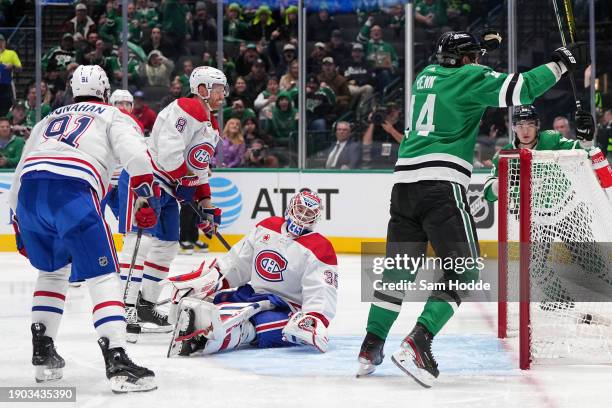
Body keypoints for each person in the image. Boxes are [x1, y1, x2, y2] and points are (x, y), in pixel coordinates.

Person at [356, 30, 581, 387]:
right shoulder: (470, 76)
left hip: (404, 188)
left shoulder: (425, 76)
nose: (478, 62)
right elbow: (520, 88)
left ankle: (370, 347)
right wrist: (559, 65)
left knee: (398, 271)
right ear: (464, 61)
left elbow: (458, 70)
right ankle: (419, 341)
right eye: (473, 56)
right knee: (465, 271)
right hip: (440, 187)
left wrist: (479, 49)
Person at [8, 65, 158, 393]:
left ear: (72, 89)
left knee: (51, 273)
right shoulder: (113, 115)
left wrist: (18, 224)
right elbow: (137, 157)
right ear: (105, 91)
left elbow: (20, 169)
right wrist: (147, 198)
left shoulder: (50, 117)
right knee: (103, 275)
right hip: (71, 192)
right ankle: (117, 358)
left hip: (30, 194)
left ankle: (43, 351)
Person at [116, 66, 227, 342]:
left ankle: (145, 305)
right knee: (138, 242)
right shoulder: (187, 107)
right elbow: (168, 152)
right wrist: (184, 182)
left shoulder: (211, 126)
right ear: (202, 89)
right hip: (147, 179)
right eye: (219, 88)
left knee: (167, 246)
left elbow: (199, 169)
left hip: (167, 186)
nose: (223, 94)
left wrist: (207, 206)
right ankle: (123, 308)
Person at [165, 190, 338, 357]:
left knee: (264, 325)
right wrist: (215, 279)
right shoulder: (267, 226)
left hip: (287, 306)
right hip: (256, 295)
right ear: (290, 207)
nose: (302, 216)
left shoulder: (321, 248)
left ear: (315, 218)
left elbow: (322, 290)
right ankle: (194, 320)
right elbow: (240, 262)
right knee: (216, 302)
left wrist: (314, 318)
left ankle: (203, 339)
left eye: (308, 213)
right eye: (300, 209)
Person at [483, 105, 595, 201]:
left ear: (537, 125)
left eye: (530, 125)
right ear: (513, 127)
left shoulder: (551, 139)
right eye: (520, 125)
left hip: (562, 212)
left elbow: (584, 150)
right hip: (526, 219)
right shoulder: (505, 155)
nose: (525, 131)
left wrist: (586, 138)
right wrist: (502, 183)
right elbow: (488, 194)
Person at [0, 33, 22, 116]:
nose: (0, 44)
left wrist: (12, 66)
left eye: (2, 41)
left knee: (9, 105)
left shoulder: (11, 53)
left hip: (7, 84)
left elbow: (20, 68)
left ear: (5, 43)